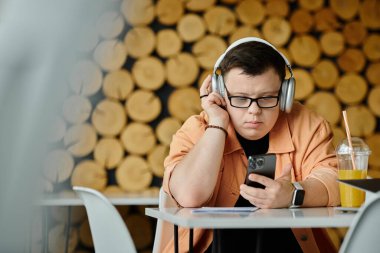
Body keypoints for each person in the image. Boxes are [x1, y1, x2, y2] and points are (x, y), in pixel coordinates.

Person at [162, 37, 340, 252]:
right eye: (240, 98)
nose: (253, 110)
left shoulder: (308, 125)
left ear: (284, 95)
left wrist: (293, 193)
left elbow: (336, 181)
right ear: (220, 93)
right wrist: (218, 123)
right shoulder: (197, 129)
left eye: (266, 98)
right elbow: (189, 196)